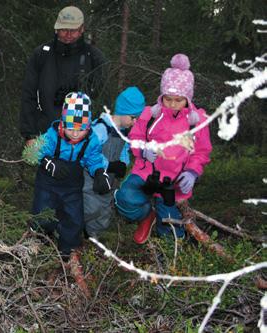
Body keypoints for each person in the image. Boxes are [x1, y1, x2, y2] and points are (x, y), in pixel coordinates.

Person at [114, 54, 212, 244]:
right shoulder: (150, 115)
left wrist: (192, 172)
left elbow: (201, 152)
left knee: (170, 229)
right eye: (168, 99)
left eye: (178, 100)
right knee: (124, 200)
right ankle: (146, 216)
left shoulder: (197, 122)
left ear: (188, 98)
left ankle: (174, 254)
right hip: (147, 174)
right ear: (162, 96)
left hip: (173, 183)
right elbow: (134, 137)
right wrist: (143, 150)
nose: (173, 104)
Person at [30, 92, 110, 258]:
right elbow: (36, 150)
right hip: (48, 184)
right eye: (71, 128)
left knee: (74, 219)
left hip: (72, 186)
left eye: (80, 130)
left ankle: (68, 252)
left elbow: (94, 159)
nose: (75, 134)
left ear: (88, 128)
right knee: (44, 216)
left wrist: (100, 173)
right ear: (63, 124)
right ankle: (38, 242)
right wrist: (48, 162)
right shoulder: (53, 136)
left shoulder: (91, 140)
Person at [20, 5, 108, 146]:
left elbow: (101, 100)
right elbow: (28, 95)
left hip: (82, 139)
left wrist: (96, 136)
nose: (67, 34)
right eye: (63, 29)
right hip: (45, 135)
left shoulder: (94, 58)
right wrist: (30, 134)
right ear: (56, 29)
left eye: (72, 30)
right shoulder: (41, 55)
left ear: (82, 29)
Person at [83, 87, 146, 239]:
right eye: (133, 117)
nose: (135, 122)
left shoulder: (123, 132)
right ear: (123, 112)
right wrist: (109, 165)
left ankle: (93, 238)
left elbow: (124, 149)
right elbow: (88, 152)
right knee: (91, 208)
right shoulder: (101, 128)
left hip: (109, 181)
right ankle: (79, 232)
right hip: (91, 179)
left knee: (104, 210)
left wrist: (123, 163)